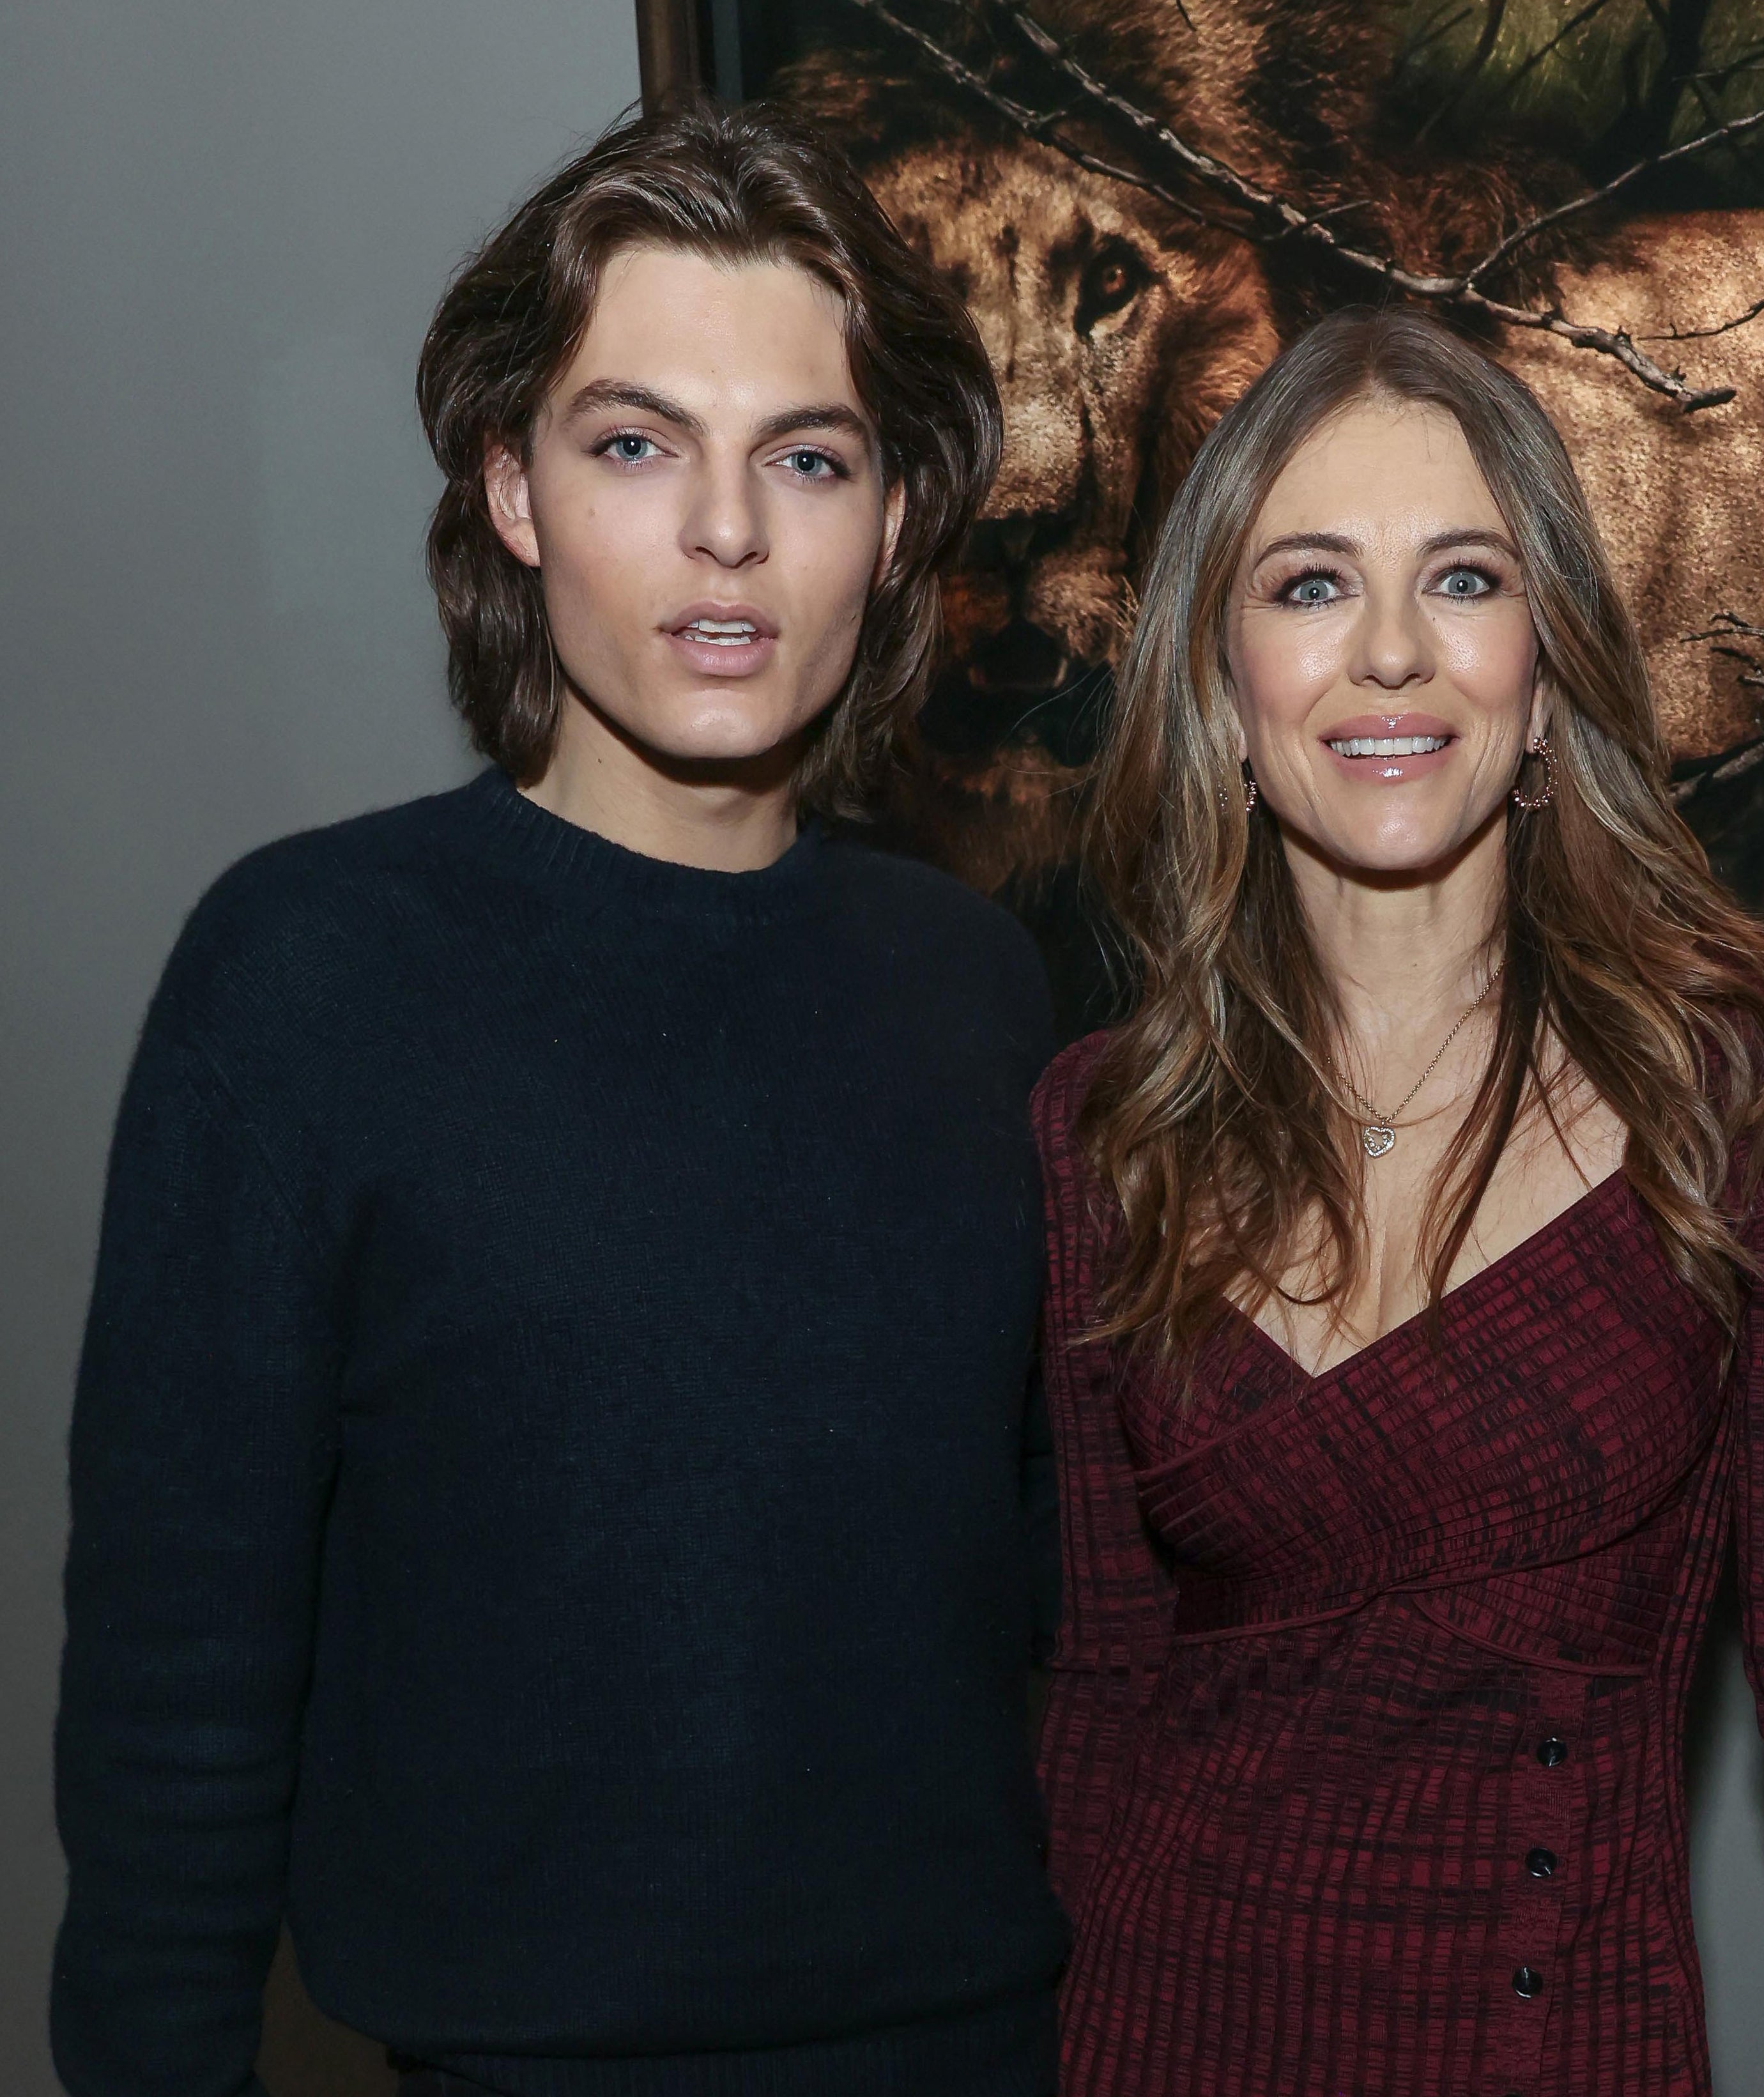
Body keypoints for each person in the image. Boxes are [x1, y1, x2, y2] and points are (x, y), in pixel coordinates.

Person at [53, 100, 1066, 2097]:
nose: (725, 532)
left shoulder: (981, 986)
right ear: (511, 490)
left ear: (895, 518)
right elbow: (174, 1694)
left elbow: (1037, 1584)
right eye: (633, 444)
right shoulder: (307, 977)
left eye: (807, 456)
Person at [1032, 306, 1764, 2095]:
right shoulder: (1104, 1127)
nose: (1388, 652)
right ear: (1221, 689)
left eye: (1460, 578)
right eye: (1307, 586)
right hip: (1153, 2028)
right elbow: (1100, 1684)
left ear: (1541, 672)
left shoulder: (1749, 1060)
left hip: (1564, 2037)